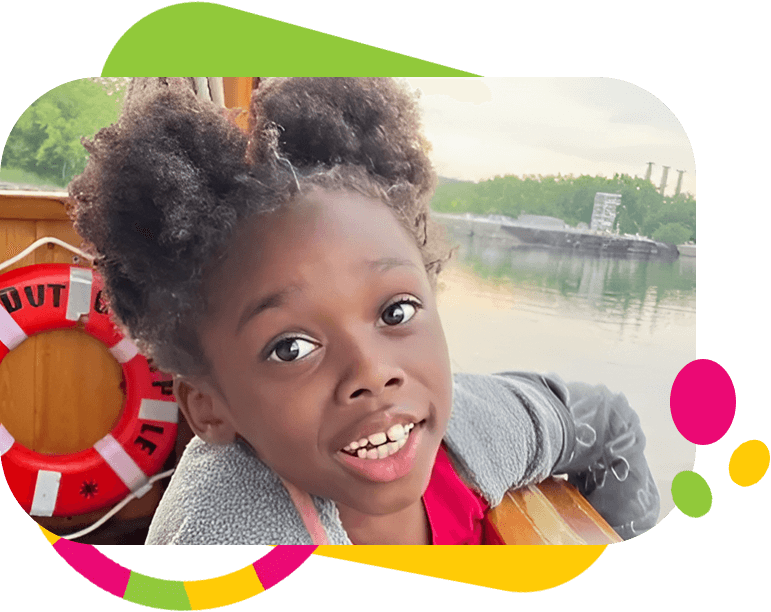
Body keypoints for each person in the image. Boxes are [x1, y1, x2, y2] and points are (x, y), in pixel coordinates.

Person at [66, 77, 659, 544]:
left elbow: (607, 424)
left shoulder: (480, 430)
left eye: (397, 312)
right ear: (211, 408)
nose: (373, 372)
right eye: (291, 347)